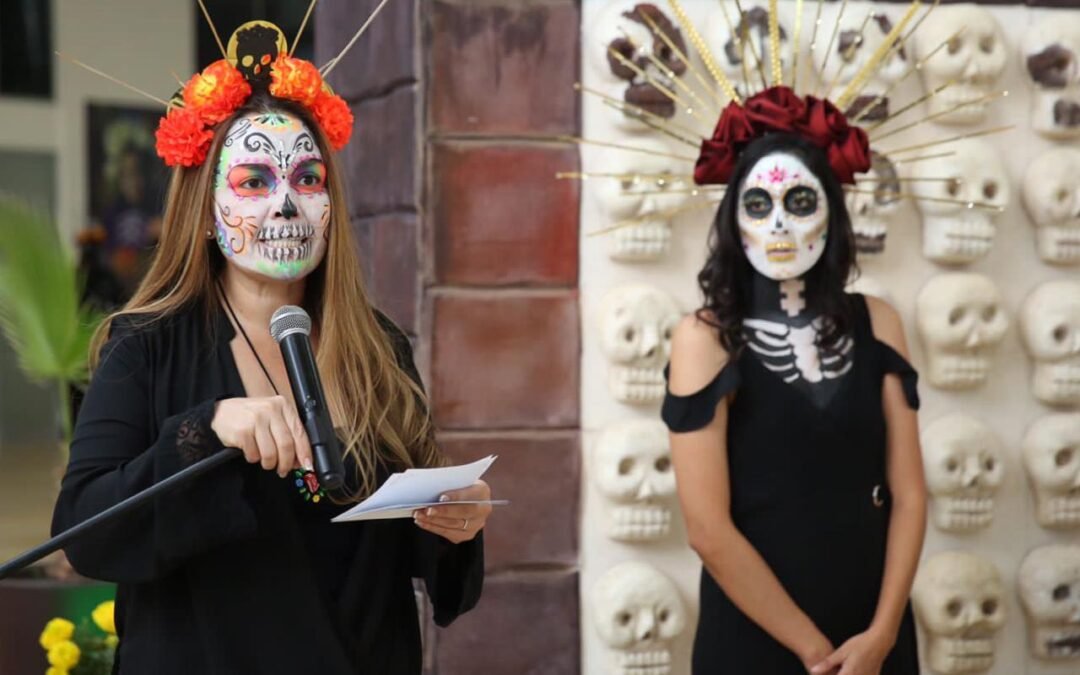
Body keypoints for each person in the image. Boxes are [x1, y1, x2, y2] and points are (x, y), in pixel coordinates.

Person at [51, 23, 490, 675]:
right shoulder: (145, 349)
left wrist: (456, 525)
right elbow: (85, 533)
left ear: (331, 204)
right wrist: (203, 430)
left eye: (308, 178)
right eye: (255, 181)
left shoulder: (379, 346)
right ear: (205, 210)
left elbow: (411, 554)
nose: (286, 204)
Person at [663, 123, 927, 673]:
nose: (779, 223)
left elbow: (910, 495)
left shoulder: (879, 322)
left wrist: (881, 635)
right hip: (756, 635)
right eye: (759, 205)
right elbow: (707, 530)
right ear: (735, 219)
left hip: (872, 631)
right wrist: (814, 652)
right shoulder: (705, 339)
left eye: (799, 201)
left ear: (831, 212)